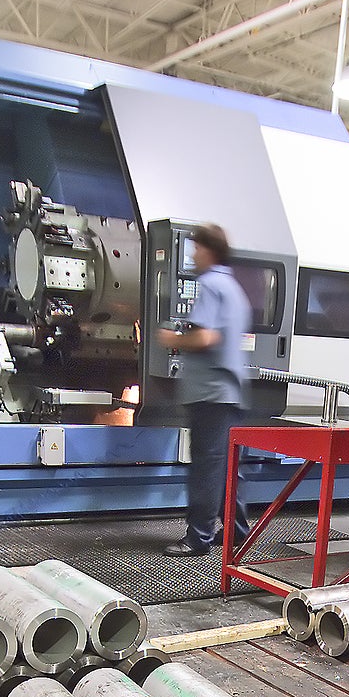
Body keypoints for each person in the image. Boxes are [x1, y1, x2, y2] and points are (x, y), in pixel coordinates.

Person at [155, 223, 252, 557]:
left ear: (209, 250)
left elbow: (205, 336)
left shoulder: (210, 284)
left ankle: (198, 538)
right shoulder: (234, 287)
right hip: (229, 391)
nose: (193, 254)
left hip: (210, 393)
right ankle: (238, 533)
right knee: (225, 467)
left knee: (206, 469)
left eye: (196, 248)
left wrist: (172, 339)